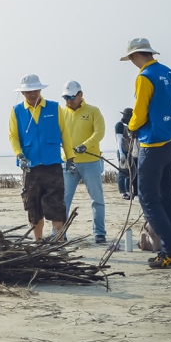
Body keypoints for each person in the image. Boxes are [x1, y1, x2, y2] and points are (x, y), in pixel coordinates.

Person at [122, 38, 171, 268]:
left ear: (134, 56)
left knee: (147, 197)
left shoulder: (144, 76)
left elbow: (140, 110)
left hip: (153, 143)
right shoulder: (169, 73)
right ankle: (170, 249)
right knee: (167, 195)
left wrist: (131, 127)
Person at [8, 74, 67, 242]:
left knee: (56, 203)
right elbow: (13, 136)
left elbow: (65, 134)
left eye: (35, 90)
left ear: (40, 89)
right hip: (30, 166)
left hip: (53, 164)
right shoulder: (17, 111)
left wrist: (70, 157)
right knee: (32, 204)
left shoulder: (54, 108)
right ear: (22, 93)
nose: (32, 94)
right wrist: (19, 154)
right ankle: (38, 240)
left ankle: (60, 239)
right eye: (27, 92)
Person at [59, 81, 108, 243]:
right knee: (63, 201)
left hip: (91, 162)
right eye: (66, 97)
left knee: (97, 199)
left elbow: (99, 132)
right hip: (68, 163)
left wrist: (85, 145)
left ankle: (99, 233)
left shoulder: (93, 111)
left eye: (72, 97)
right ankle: (59, 233)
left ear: (80, 95)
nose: (68, 101)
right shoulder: (61, 113)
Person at [114, 110, 134, 199]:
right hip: (123, 151)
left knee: (129, 172)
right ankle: (123, 192)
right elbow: (119, 140)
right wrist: (121, 153)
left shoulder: (127, 126)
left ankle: (128, 191)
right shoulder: (120, 125)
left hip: (129, 152)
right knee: (123, 172)